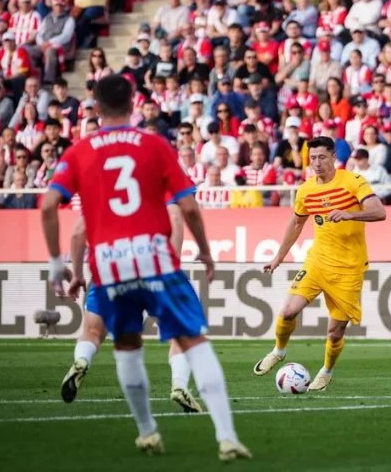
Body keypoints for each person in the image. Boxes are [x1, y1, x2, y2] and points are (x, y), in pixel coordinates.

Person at [40, 75, 250, 461]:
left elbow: (50, 205)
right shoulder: (154, 145)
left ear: (96, 107)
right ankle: (226, 437)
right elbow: (188, 207)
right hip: (155, 259)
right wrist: (204, 251)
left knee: (126, 347)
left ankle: (148, 432)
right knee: (193, 342)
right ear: (134, 103)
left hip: (109, 266)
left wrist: (60, 267)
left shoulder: (80, 151)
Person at [254, 137, 387, 391]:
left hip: (349, 266)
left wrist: (350, 213)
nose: (316, 163)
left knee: (334, 332)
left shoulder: (352, 181)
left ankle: (326, 372)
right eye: (312, 158)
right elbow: (296, 224)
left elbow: (380, 211)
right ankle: (278, 351)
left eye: (322, 157)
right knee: (288, 311)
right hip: (318, 260)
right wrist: (278, 258)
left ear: (333, 157)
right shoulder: (306, 190)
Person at [60, 202, 202, 416]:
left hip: (110, 268)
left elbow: (78, 231)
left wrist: (77, 273)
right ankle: (179, 384)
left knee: (92, 332)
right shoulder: (154, 182)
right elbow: (175, 217)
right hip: (151, 268)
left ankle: (82, 360)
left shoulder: (101, 190)